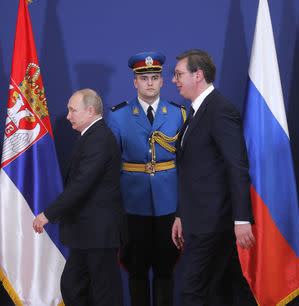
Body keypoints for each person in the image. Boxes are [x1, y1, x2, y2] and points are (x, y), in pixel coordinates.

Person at [171, 49, 256, 305]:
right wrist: (181, 214)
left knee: (192, 291)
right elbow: (194, 172)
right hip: (199, 219)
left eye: (178, 74)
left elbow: (237, 167)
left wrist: (242, 219)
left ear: (198, 75)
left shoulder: (220, 110)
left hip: (214, 222)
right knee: (223, 290)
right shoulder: (197, 112)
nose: (174, 80)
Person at [33, 89, 125, 306]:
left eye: (73, 110)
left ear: (90, 111)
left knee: (104, 293)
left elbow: (81, 185)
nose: (68, 116)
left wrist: (48, 214)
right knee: (73, 286)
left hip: (98, 233)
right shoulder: (92, 136)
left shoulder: (99, 139)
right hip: (87, 232)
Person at [107, 51, 185, 306]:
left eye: (155, 77)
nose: (150, 83)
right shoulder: (118, 116)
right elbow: (109, 163)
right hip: (132, 202)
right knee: (136, 268)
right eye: (144, 79)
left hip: (169, 202)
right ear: (134, 82)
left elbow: (186, 162)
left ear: (163, 81)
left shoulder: (178, 114)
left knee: (166, 267)